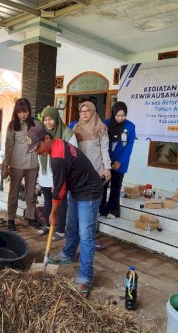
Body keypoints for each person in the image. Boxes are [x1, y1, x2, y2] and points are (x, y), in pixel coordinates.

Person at [29, 127, 104, 298]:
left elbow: (59, 190)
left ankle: (85, 276)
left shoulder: (58, 158)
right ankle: (68, 254)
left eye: (38, 148)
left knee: (86, 235)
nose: (38, 153)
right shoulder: (57, 145)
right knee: (72, 224)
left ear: (46, 139)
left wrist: (53, 212)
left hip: (89, 191)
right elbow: (61, 188)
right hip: (76, 189)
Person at [73, 101, 111, 250]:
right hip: (80, 174)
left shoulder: (101, 128)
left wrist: (107, 168)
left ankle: (90, 238)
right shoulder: (76, 128)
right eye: (82, 111)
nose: (84, 114)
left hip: (96, 172)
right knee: (79, 208)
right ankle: (79, 237)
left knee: (92, 208)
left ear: (93, 111)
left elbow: (105, 149)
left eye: (87, 111)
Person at [37, 106, 79, 240]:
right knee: (48, 200)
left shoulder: (67, 133)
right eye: (45, 120)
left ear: (57, 119)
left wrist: (63, 177)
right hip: (45, 173)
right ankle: (49, 225)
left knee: (60, 201)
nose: (48, 123)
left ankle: (60, 229)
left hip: (60, 173)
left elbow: (73, 154)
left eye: (51, 119)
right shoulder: (43, 133)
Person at [2, 98, 41, 231]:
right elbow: (8, 146)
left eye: (25, 112)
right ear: (16, 112)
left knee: (31, 193)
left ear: (29, 111)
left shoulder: (36, 123)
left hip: (33, 163)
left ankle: (31, 217)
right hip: (17, 163)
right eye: (20, 112)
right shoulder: (12, 125)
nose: (23, 115)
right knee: (13, 192)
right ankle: (10, 219)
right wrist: (5, 165)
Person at [100, 101, 136, 219]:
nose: (120, 118)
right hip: (106, 161)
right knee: (103, 185)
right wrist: (107, 161)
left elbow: (129, 146)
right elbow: (102, 142)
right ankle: (101, 209)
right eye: (117, 115)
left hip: (121, 162)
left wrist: (120, 161)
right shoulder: (106, 123)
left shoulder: (130, 126)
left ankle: (113, 210)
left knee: (116, 186)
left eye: (123, 115)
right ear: (113, 114)